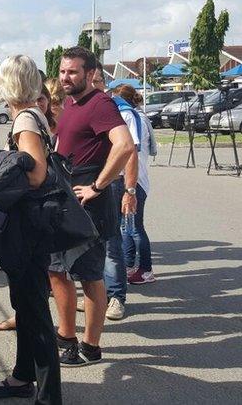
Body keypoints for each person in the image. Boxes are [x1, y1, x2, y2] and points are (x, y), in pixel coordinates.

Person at [0, 55, 61, 403]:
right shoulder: (34, 114)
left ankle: (47, 396)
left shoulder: (25, 119)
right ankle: (22, 377)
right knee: (28, 307)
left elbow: (36, 172)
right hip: (34, 224)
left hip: (27, 226)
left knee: (34, 311)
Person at [53, 47, 135, 367]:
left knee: (89, 276)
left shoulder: (100, 103)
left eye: (72, 72)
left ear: (90, 74)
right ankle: (68, 338)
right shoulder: (71, 103)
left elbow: (125, 145)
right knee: (58, 271)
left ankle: (91, 346)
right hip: (67, 202)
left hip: (90, 206)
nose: (65, 77)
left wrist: (98, 186)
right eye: (62, 71)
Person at [102, 78, 142, 321]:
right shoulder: (78, 107)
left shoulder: (120, 112)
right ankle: (98, 294)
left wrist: (130, 190)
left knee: (111, 242)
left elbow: (130, 152)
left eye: (98, 81)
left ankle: (116, 296)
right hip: (87, 184)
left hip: (114, 183)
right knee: (91, 244)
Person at [111, 85, 155, 285]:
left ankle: (146, 270)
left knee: (135, 227)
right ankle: (130, 265)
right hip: (131, 178)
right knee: (125, 226)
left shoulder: (130, 117)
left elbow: (131, 151)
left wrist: (130, 187)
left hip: (135, 180)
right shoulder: (136, 116)